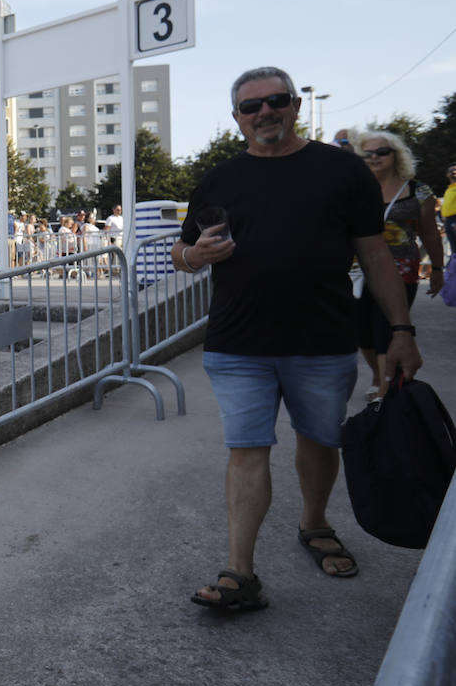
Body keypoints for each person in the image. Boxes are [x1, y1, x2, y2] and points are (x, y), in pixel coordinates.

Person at [174, 66, 423, 611]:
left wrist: (400, 330)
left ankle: (314, 524)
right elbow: (182, 250)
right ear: (236, 117)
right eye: (251, 106)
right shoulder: (218, 179)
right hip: (237, 344)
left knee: (319, 439)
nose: (265, 112)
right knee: (246, 449)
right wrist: (195, 256)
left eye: (276, 100)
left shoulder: (341, 172)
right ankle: (241, 572)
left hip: (323, 339)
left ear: (294, 105)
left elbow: (375, 253)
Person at [352, 130, 444, 400]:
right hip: (357, 270)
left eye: (382, 151)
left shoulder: (418, 191)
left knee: (386, 327)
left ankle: (385, 389)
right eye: (367, 153)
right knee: (362, 333)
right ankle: (379, 375)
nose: (374, 157)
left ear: (396, 155)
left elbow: (430, 234)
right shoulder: (353, 189)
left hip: (402, 270)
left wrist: (437, 270)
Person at [442, 163, 456, 252]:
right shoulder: (448, 190)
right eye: (451, 171)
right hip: (448, 221)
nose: (454, 172)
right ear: (447, 175)